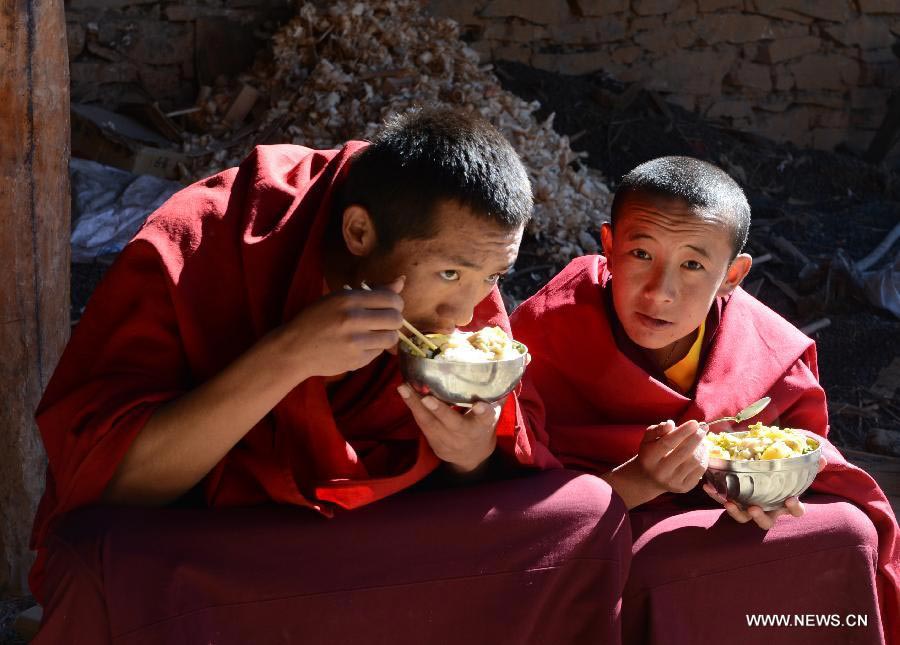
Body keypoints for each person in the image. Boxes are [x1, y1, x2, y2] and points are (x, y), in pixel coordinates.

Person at [30, 108, 631, 644]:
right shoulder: (211, 234)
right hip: (231, 547)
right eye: (450, 275)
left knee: (583, 512)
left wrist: (470, 454)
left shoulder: (464, 294)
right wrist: (285, 357)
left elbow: (498, 465)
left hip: (372, 543)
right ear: (359, 233)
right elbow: (115, 484)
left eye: (493, 279)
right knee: (96, 562)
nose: (465, 312)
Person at [511, 156, 900, 644]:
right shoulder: (547, 331)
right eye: (640, 254)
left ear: (732, 274)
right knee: (653, 562)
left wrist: (773, 490)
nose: (661, 292)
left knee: (849, 532)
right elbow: (515, 498)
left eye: (693, 264)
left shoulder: (762, 344)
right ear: (609, 246)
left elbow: (806, 446)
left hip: (725, 519)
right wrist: (633, 481)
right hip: (607, 527)